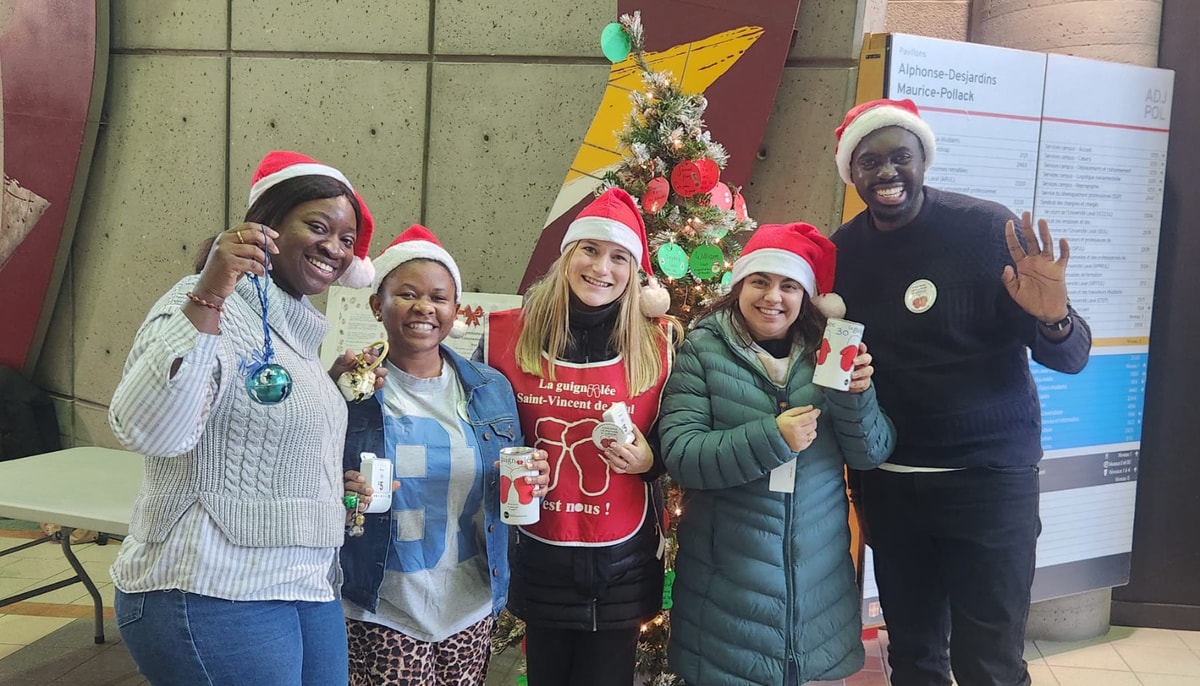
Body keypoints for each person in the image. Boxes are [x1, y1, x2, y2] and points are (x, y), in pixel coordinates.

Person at [830, 98, 1092, 686]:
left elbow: (1071, 355)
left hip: (990, 484)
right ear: (852, 173)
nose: (887, 173)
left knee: (990, 665)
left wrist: (1054, 320)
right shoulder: (841, 254)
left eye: (901, 156)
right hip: (892, 488)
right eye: (870, 161)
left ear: (924, 159)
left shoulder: (985, 230)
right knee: (916, 661)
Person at [108, 150, 380, 686]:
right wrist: (209, 292)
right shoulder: (205, 304)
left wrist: (333, 483)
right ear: (267, 227)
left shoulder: (296, 332)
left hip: (305, 583)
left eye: (347, 240)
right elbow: (148, 429)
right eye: (318, 226)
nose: (334, 248)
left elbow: (256, 430)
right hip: (209, 585)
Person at [657, 222, 896, 686]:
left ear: (806, 296)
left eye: (789, 285)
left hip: (817, 586)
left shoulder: (828, 352)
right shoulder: (703, 350)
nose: (773, 297)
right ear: (739, 285)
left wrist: (856, 396)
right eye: (760, 281)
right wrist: (772, 438)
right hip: (727, 587)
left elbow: (870, 453)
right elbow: (681, 454)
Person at [480, 188, 679, 686]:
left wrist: (650, 460)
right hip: (539, 551)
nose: (601, 268)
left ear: (635, 271)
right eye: (589, 249)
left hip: (622, 561)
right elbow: (472, 430)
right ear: (568, 255)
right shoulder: (508, 335)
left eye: (618, 257)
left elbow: (680, 435)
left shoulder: (659, 344)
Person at [339, 225, 551, 685]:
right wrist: (341, 491)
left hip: (470, 604)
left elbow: (511, 475)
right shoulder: (350, 388)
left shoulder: (491, 389)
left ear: (456, 311)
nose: (424, 308)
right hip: (383, 606)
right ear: (378, 304)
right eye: (407, 294)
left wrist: (536, 477)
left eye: (439, 297)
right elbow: (310, 479)